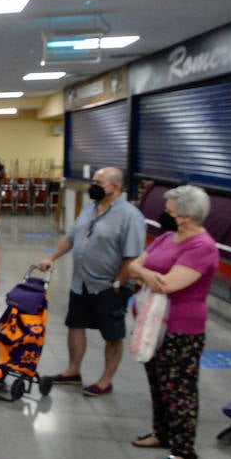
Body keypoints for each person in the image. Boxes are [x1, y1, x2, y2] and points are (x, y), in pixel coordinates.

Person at [126, 185, 219, 459]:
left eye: (170, 212)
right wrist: (146, 273)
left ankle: (183, 450)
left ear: (188, 216)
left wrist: (147, 274)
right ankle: (161, 432)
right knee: (157, 380)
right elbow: (133, 266)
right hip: (153, 325)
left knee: (179, 388)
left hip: (182, 329)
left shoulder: (202, 247)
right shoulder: (167, 237)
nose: (164, 216)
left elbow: (168, 285)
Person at [36, 167, 147, 396]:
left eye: (99, 182)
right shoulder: (90, 208)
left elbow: (133, 256)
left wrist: (119, 283)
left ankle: (106, 380)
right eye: (93, 181)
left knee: (112, 335)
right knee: (75, 326)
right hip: (81, 283)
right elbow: (71, 238)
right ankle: (73, 371)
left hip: (109, 286)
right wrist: (52, 257)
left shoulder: (130, 216)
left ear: (116, 187)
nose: (93, 186)